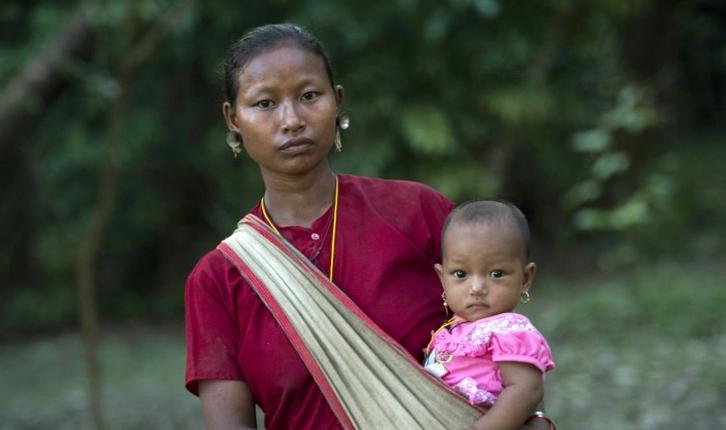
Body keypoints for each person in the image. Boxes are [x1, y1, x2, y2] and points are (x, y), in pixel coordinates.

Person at [184, 23, 553, 430]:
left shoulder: (417, 213)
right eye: (265, 103)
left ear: (337, 101)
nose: (291, 120)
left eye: (310, 96)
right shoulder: (221, 279)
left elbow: (502, 354)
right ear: (232, 118)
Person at [423, 200, 556, 430]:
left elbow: (526, 390)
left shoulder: (510, 330)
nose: (476, 287)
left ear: (525, 278)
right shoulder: (450, 329)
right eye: (460, 273)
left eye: (496, 273)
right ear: (442, 277)